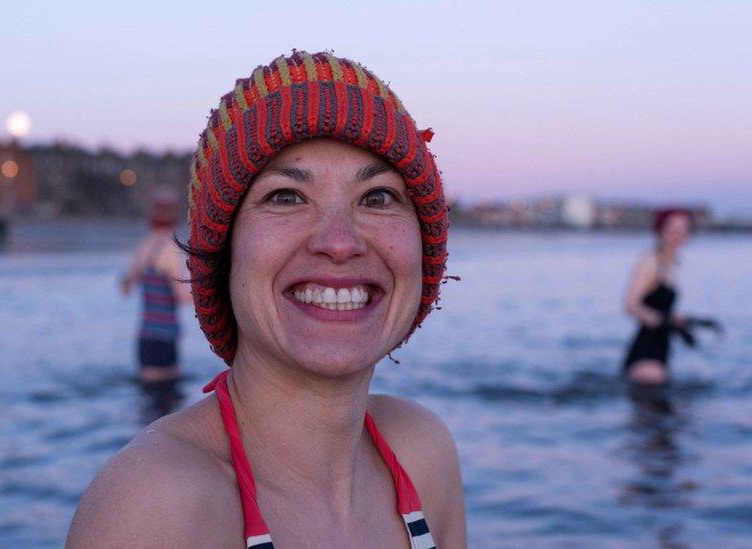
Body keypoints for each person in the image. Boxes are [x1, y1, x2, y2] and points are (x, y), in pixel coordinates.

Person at [68, 52, 465, 547]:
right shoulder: (155, 508)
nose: (340, 243)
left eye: (378, 197)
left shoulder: (424, 456)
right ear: (223, 253)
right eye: (286, 196)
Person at [121, 190, 190, 385]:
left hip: (145, 336)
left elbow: (126, 289)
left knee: (149, 402)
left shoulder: (143, 247)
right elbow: (181, 297)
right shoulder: (170, 249)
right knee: (169, 402)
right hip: (166, 335)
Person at [621, 209, 697, 386]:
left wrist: (678, 321)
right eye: (672, 229)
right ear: (660, 231)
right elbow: (631, 305)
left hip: (661, 349)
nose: (678, 235)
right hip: (646, 354)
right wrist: (665, 322)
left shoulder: (669, 263)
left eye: (684, 229)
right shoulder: (650, 261)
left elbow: (657, 307)